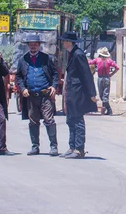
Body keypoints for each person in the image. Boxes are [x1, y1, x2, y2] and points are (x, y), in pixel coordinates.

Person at [15, 33, 59, 156]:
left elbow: (55, 74)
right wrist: (22, 88)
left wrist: (54, 86)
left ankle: (53, 146)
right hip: (30, 96)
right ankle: (35, 146)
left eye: (35, 44)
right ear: (28, 46)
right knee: (33, 121)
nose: (33, 47)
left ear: (39, 45)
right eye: (31, 45)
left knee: (49, 120)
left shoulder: (47, 58)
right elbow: (18, 76)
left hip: (45, 95)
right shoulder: (23, 60)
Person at [59, 31, 97, 159]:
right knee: (70, 119)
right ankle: (72, 146)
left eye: (64, 41)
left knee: (78, 120)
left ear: (69, 42)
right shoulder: (72, 54)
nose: (62, 43)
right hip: (71, 91)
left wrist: (92, 93)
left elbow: (86, 74)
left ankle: (79, 149)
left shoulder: (78, 54)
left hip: (78, 92)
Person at [89, 47, 118, 115]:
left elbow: (89, 62)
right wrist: (111, 74)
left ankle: (108, 109)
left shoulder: (97, 60)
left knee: (102, 94)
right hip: (107, 78)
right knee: (105, 94)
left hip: (100, 78)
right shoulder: (109, 61)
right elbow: (117, 68)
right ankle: (107, 109)